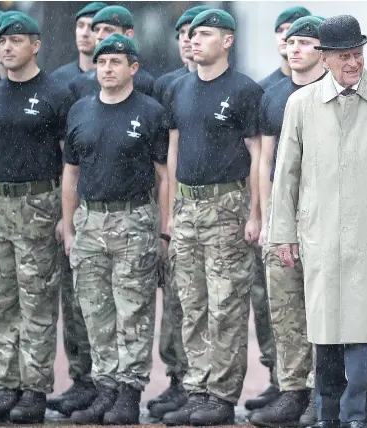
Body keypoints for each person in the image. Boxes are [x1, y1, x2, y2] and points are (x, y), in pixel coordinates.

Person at [268, 14, 367, 428]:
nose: (353, 63)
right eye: (343, 57)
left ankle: (356, 416)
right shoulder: (301, 104)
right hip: (319, 234)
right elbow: (285, 175)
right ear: (324, 59)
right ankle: (327, 416)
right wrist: (282, 234)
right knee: (325, 333)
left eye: (358, 54)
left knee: (363, 329)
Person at [160, 9, 263, 426]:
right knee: (192, 303)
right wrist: (168, 214)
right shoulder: (179, 89)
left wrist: (256, 213)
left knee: (227, 306)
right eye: (191, 34)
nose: (194, 39)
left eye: (205, 33)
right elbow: (172, 151)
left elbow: (258, 156)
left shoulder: (244, 91)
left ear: (227, 41)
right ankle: (196, 388)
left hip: (227, 206)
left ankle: (221, 395)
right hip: (186, 207)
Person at [0, 13, 74, 424]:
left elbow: (70, 161)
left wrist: (66, 216)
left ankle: (33, 390)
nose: (5, 46)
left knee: (37, 303)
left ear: (36, 45)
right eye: (1, 41)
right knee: (0, 303)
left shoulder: (56, 93)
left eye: (15, 40)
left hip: (38, 205)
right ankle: (6, 386)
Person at [61, 34, 168, 425]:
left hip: (134, 220)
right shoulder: (79, 111)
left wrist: (163, 229)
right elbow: (70, 174)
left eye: (116, 63)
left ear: (133, 69)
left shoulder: (151, 112)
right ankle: (105, 388)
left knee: (133, 311)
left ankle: (129, 393)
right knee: (95, 311)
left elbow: (163, 176)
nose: (107, 69)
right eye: (101, 62)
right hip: (90, 222)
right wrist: (70, 227)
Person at [249, 16, 327, 428]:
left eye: (305, 43)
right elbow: (264, 162)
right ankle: (291, 389)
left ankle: (321, 392)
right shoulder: (273, 96)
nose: (294, 49)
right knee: (284, 309)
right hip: (283, 216)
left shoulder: (336, 94)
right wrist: (263, 216)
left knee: (321, 308)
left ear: (322, 51)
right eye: (290, 42)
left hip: (324, 216)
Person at [145, 5, 208, 421]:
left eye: (195, 32)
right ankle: (178, 376)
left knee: (203, 301)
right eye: (182, 33)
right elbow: (159, 158)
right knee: (177, 301)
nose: (187, 39)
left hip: (209, 203)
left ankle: (201, 383)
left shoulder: (224, 87)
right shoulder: (166, 87)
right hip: (172, 202)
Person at [44, 3, 107, 416]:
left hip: (113, 200)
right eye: (81, 26)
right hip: (74, 198)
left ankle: (107, 381)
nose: (86, 34)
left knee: (106, 299)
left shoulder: (141, 82)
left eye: (95, 28)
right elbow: (59, 151)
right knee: (74, 296)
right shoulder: (62, 82)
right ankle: (81, 376)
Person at [67, 5, 155, 99]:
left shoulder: (145, 83)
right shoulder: (80, 84)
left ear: (128, 35)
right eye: (96, 30)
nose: (99, 36)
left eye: (108, 30)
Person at [151, 6, 208, 103]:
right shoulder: (165, 84)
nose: (185, 39)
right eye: (182, 32)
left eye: (192, 32)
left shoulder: (232, 85)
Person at [50, 2, 108, 83]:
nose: (84, 33)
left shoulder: (112, 78)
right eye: (80, 25)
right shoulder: (59, 78)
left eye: (92, 28)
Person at [258, 6, 312, 90]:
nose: (283, 37)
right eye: (279, 30)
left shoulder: (328, 85)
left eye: (291, 29)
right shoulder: (263, 89)